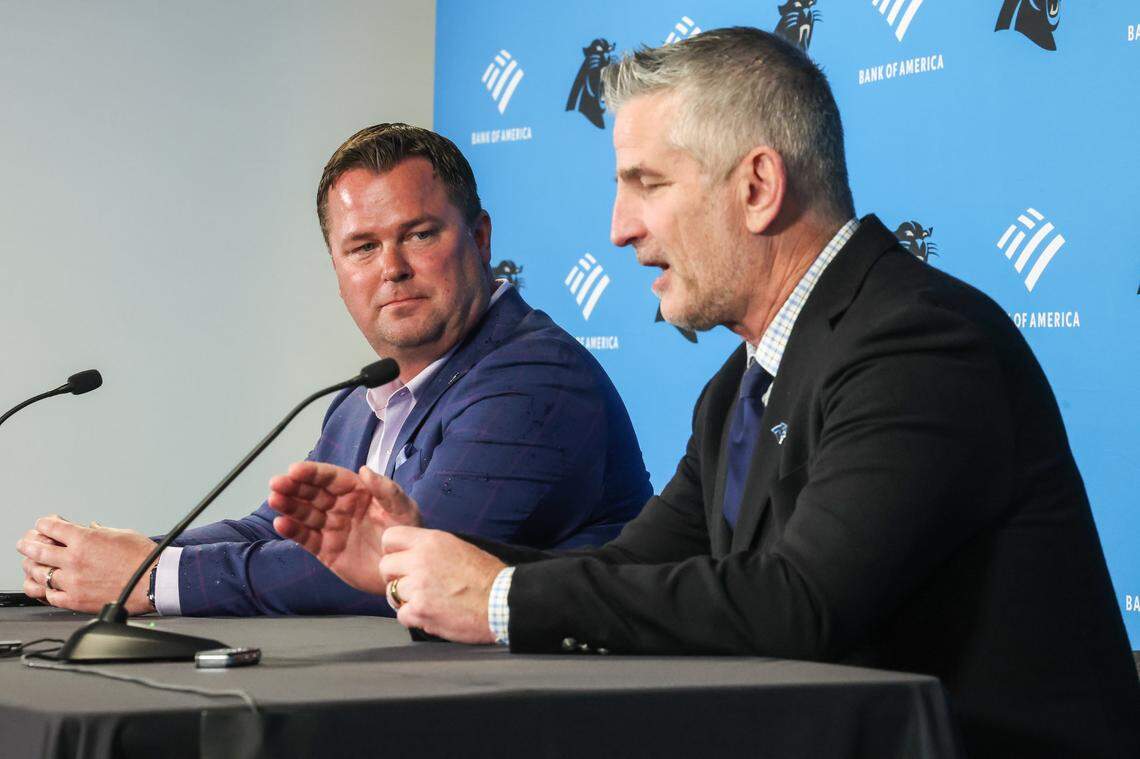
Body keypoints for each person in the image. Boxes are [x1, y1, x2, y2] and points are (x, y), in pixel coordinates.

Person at [266, 29, 1140, 757]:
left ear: (757, 187)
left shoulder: (917, 342)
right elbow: (625, 570)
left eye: (647, 183)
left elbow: (803, 603)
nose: (619, 227)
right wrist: (420, 562)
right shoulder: (737, 386)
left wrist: (495, 597)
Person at [16, 124, 651, 617]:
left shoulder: (534, 380)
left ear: (481, 240)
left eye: (420, 235)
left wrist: (151, 580)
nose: (392, 268)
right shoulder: (365, 396)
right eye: (363, 247)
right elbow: (279, 531)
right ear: (338, 271)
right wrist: (129, 557)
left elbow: (391, 568)